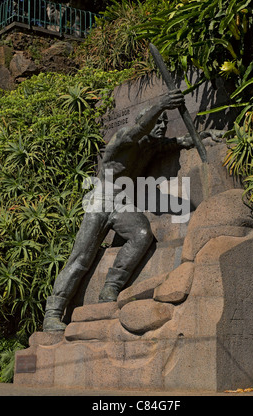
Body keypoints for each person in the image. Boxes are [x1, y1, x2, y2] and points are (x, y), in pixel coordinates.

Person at [43, 89, 222, 331]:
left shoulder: (152, 145)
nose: (161, 126)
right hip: (100, 199)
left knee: (142, 235)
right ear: (147, 118)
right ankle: (53, 313)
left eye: (164, 122)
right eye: (157, 121)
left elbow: (179, 142)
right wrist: (160, 104)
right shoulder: (123, 137)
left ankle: (111, 287)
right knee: (81, 257)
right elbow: (138, 128)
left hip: (122, 202)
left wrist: (206, 135)